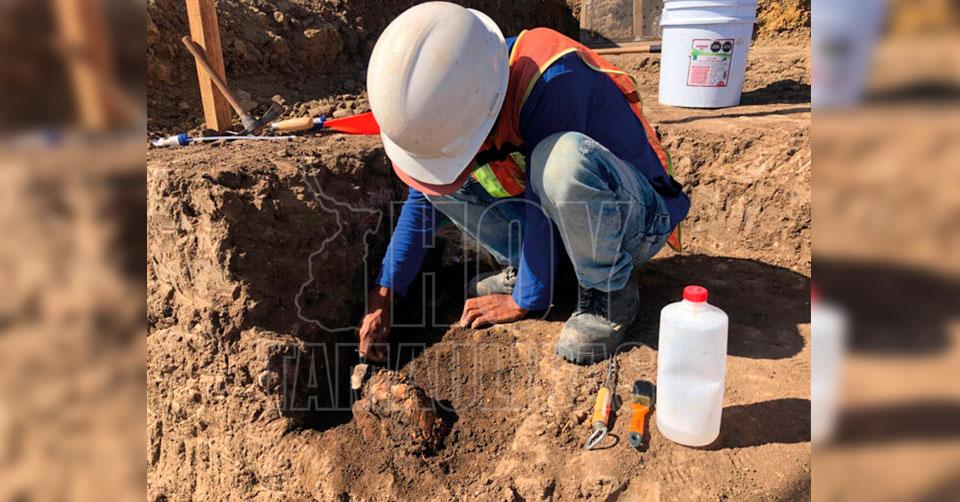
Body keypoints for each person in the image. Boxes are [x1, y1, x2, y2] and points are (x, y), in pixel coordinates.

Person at [357, 2, 690, 364]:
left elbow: (540, 199)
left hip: (634, 220)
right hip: (568, 220)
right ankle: (552, 273)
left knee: (561, 161)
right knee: (444, 181)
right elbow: (424, 196)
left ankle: (607, 290)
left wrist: (526, 299)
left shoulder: (552, 79)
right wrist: (386, 290)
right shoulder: (465, 92)